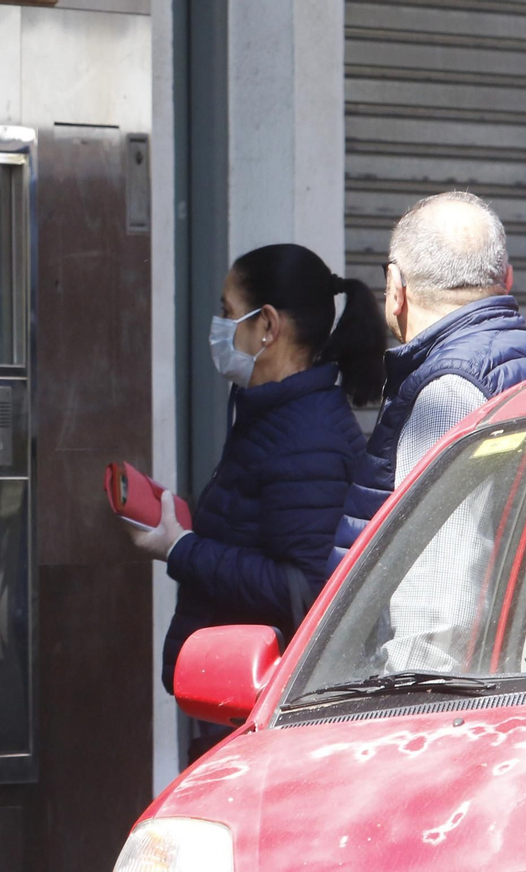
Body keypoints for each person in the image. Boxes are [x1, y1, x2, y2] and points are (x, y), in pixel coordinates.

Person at [129, 242, 386, 761]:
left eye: (228, 312)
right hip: (242, 711)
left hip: (268, 726)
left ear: (266, 325)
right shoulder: (274, 415)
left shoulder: (308, 438)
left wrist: (181, 549)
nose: (220, 327)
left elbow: (305, 589)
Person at [327, 191, 526, 670]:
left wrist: (407, 695)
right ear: (507, 279)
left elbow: (437, 605)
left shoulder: (448, 391)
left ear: (395, 286)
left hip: (434, 692)